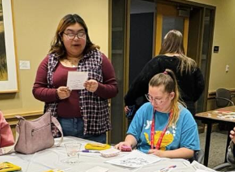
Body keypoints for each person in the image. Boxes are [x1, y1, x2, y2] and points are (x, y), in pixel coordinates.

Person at [33, 14, 118, 144]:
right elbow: (37, 90)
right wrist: (55, 93)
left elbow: (113, 89)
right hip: (60, 125)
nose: (76, 38)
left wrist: (98, 88)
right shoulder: (51, 60)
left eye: (80, 33)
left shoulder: (99, 58)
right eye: (70, 34)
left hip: (93, 127)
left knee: (93, 164)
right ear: (61, 36)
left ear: (86, 35)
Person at [115, 70, 200, 160]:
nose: (153, 103)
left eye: (158, 99)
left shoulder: (184, 116)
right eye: (150, 97)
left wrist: (163, 154)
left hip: (169, 162)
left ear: (171, 96)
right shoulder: (145, 109)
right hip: (143, 159)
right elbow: (133, 134)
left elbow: (189, 150)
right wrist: (128, 143)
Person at [124, 30, 205, 117]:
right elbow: (200, 86)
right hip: (185, 109)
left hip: (162, 109)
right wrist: (190, 100)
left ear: (165, 43)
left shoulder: (158, 62)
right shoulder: (190, 64)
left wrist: (129, 101)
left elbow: (139, 84)